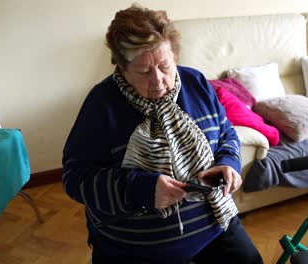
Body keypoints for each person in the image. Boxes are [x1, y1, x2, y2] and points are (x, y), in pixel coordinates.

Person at [62, 3, 263, 264]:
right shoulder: (102, 104)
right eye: (144, 71)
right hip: (134, 247)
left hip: (214, 223)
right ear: (122, 68)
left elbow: (227, 135)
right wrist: (140, 189)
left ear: (175, 57)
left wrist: (228, 164)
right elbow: (75, 177)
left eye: (165, 66)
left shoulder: (196, 83)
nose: (158, 81)